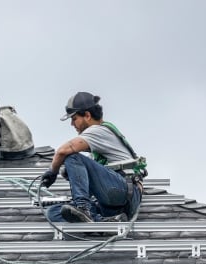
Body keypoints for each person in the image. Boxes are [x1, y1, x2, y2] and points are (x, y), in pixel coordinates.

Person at [41, 92, 146, 224]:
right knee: (55, 212)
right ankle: (103, 223)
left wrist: (53, 171)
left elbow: (63, 151)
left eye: (74, 119)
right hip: (112, 204)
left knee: (72, 157)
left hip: (123, 191)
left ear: (87, 115)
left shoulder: (98, 130)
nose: (72, 124)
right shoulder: (97, 144)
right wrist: (76, 174)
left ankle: (83, 208)